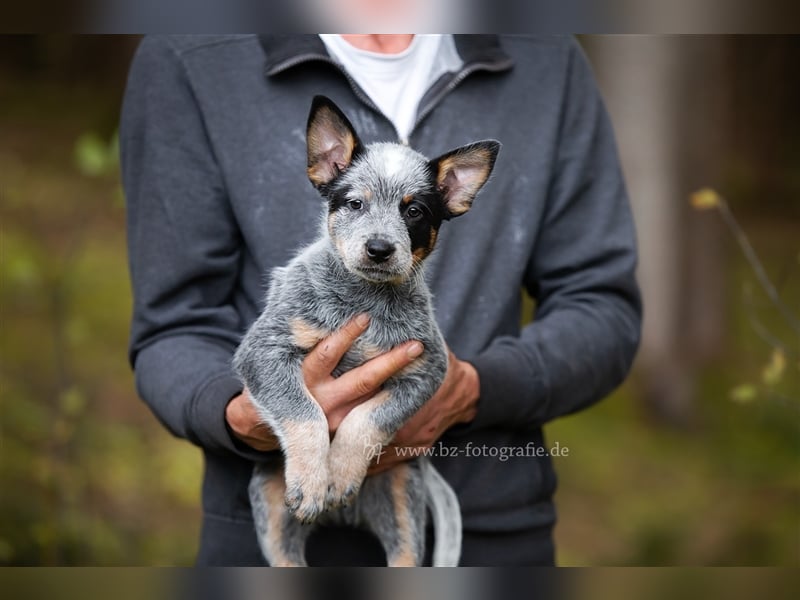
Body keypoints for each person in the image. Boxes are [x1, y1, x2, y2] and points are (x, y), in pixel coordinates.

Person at [121, 34, 641, 566]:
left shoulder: (547, 57)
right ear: (326, 165)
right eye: (356, 204)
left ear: (455, 194)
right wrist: (240, 414)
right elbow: (172, 326)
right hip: (265, 531)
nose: (381, 237)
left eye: (414, 213)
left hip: (486, 532)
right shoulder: (191, 52)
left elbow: (603, 306)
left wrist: (475, 390)